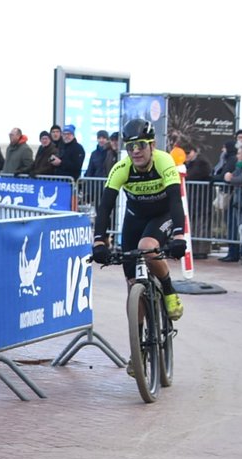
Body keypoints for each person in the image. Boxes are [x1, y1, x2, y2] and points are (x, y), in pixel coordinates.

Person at [90, 118, 186, 333]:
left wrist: (179, 236)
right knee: (132, 283)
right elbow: (105, 207)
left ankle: (168, 289)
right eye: (130, 146)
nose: (135, 151)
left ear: (152, 145)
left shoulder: (164, 161)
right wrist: (99, 241)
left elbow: (175, 199)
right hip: (135, 219)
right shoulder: (121, 168)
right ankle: (138, 342)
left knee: (147, 247)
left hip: (162, 215)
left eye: (141, 145)